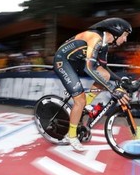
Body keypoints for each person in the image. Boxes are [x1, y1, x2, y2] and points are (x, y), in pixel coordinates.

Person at [53, 17, 132, 151]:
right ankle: (71, 136)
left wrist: (119, 79)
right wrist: (112, 89)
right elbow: (89, 68)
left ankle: (85, 106)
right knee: (80, 100)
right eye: (125, 35)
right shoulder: (95, 39)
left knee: (105, 75)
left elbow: (103, 69)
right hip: (63, 61)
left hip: (77, 61)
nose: (125, 39)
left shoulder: (104, 45)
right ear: (116, 32)